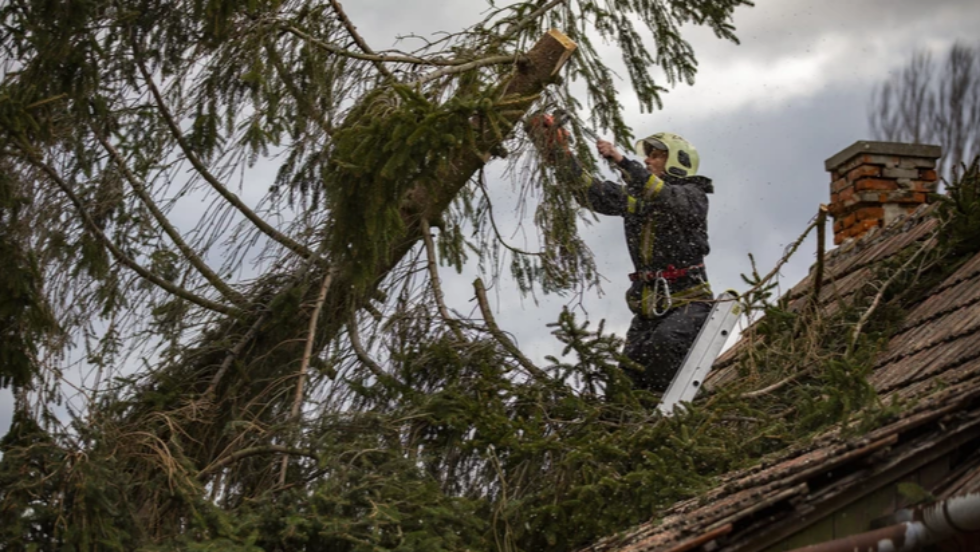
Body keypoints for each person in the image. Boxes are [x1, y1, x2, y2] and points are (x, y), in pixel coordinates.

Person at [529, 117, 715, 393]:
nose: (649, 161)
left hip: (690, 304)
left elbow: (663, 195)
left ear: (678, 161)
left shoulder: (692, 196)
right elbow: (593, 192)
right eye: (647, 156)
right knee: (625, 382)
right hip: (648, 309)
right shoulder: (639, 201)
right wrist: (561, 156)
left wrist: (622, 161)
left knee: (665, 344)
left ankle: (681, 414)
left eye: (656, 156)